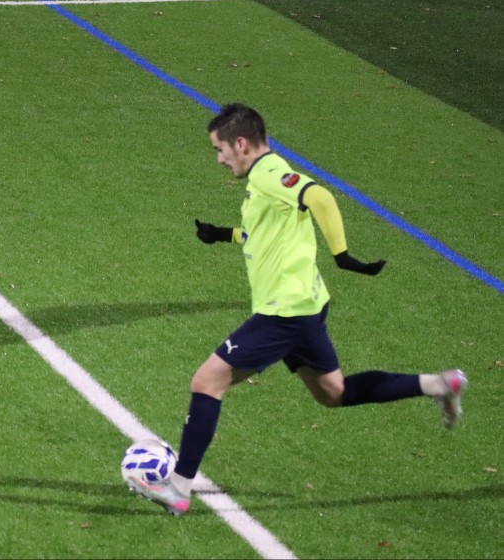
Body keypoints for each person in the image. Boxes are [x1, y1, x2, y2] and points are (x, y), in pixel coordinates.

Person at [128, 103, 467, 517]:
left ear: (241, 143)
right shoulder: (266, 178)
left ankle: (178, 488)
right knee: (333, 393)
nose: (219, 159)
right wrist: (222, 234)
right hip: (306, 306)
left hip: (283, 312)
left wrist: (342, 254)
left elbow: (319, 196)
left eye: (220, 149)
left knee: (206, 382)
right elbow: (265, 233)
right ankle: (439, 384)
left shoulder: (269, 173)